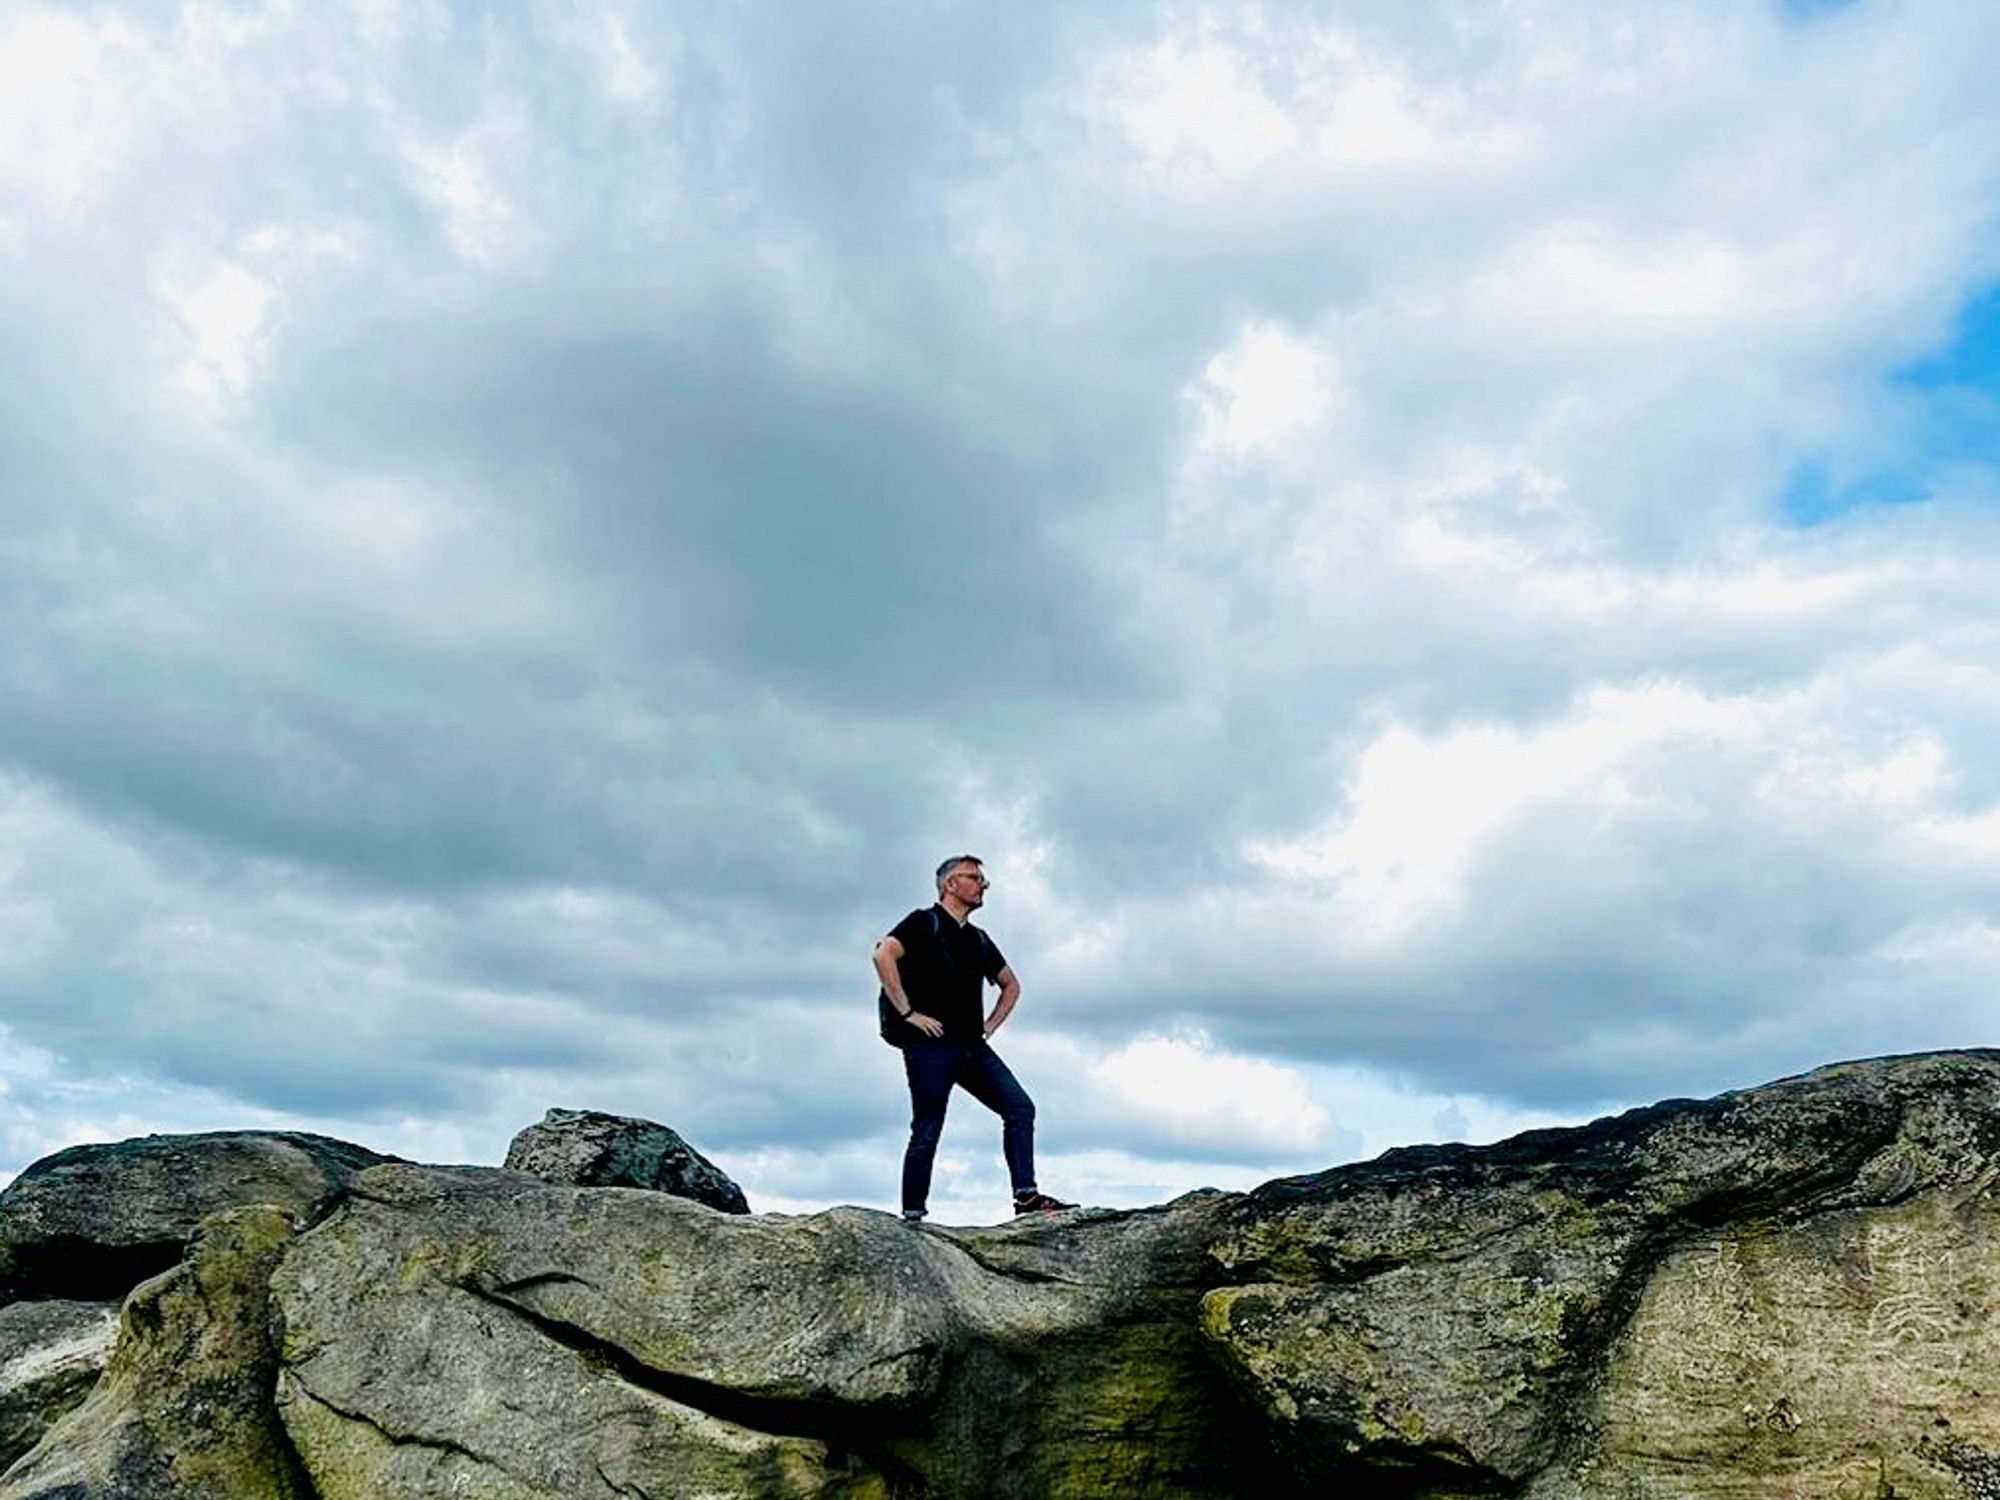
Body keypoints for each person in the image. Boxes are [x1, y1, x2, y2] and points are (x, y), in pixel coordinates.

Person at [874, 855, 1075, 1222]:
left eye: (983, 879)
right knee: (928, 1128)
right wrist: (907, 1013)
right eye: (974, 877)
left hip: (972, 1047)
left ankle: (1025, 1197)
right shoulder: (924, 922)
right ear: (951, 884)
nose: (983, 885)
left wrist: (991, 1024)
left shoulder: (978, 940)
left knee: (1019, 1107)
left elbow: (1011, 985)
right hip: (929, 1048)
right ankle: (913, 1216)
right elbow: (883, 954)